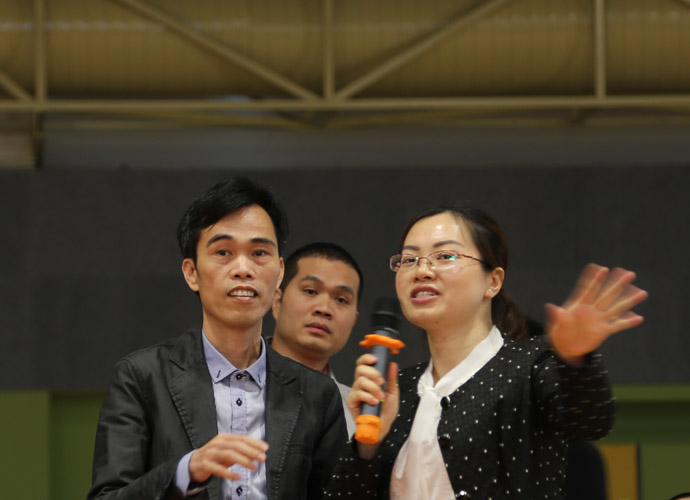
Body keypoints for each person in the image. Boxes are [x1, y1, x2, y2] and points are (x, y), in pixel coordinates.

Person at [326, 205, 649, 500]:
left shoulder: (531, 363)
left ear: (492, 282)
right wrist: (367, 447)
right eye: (409, 259)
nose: (421, 270)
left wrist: (574, 360)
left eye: (445, 256)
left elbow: (589, 422)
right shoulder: (397, 389)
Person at [88, 178, 346, 500]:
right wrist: (185, 471)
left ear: (280, 272)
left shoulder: (317, 394)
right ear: (191, 273)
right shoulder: (142, 378)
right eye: (223, 252)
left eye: (259, 253)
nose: (243, 269)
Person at [271, 242, 363, 436]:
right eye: (310, 291)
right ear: (277, 302)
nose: (324, 308)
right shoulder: (227, 383)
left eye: (341, 300)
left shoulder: (360, 415)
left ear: (354, 321)